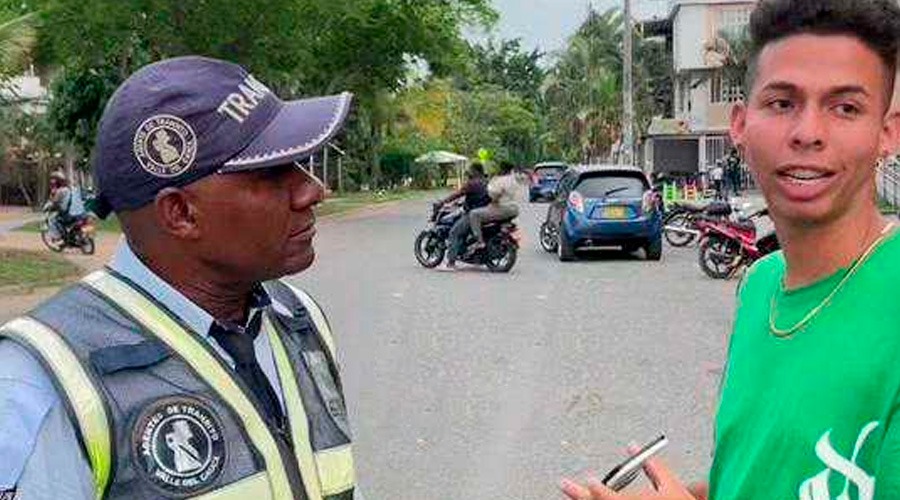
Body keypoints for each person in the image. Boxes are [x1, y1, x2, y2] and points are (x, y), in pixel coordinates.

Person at [561, 0, 900, 498]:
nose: (808, 133)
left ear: (887, 133)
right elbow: (760, 476)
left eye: (845, 108)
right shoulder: (761, 283)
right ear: (740, 125)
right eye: (782, 103)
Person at [0, 56, 359, 500]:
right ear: (181, 213)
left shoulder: (297, 320)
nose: (313, 190)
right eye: (272, 173)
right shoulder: (44, 381)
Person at [435, 162, 491, 271]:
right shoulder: (486, 182)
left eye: (471, 170)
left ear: (475, 171)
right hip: (485, 212)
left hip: (472, 214)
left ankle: (451, 263)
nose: (469, 172)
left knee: (454, 233)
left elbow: (457, 194)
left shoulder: (472, 183)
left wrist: (442, 202)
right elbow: (476, 197)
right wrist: (461, 203)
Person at [469, 161, 520, 250]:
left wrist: (493, 202)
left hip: (503, 208)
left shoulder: (501, 180)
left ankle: (479, 241)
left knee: (474, 214)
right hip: (514, 209)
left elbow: (496, 194)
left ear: (502, 169)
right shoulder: (513, 179)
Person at [43, 171, 85, 241]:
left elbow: (54, 202)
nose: (52, 183)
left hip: (69, 214)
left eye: (53, 181)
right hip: (80, 213)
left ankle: (57, 236)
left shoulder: (60, 191)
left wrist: (49, 206)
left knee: (53, 219)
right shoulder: (70, 188)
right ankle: (70, 236)